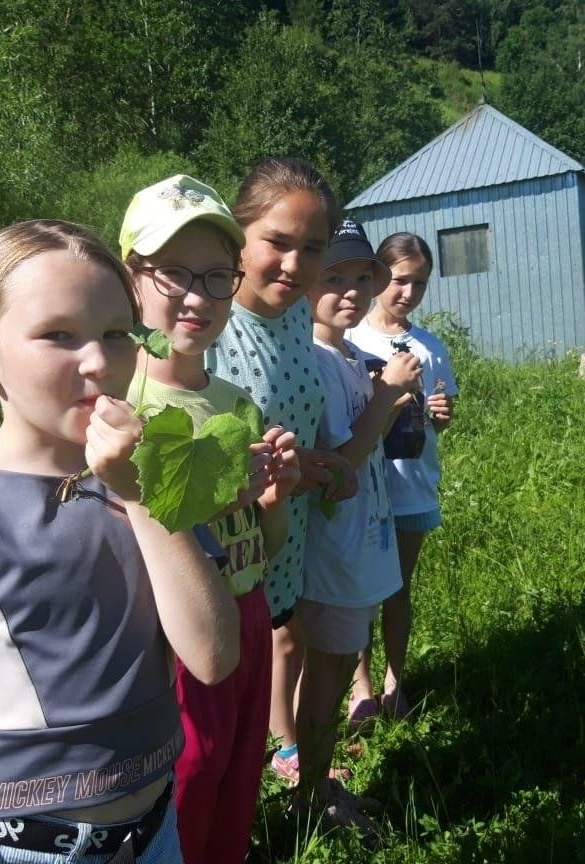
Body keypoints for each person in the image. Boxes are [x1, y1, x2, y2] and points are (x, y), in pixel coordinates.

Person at [0, 219, 241, 864]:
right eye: (58, 335)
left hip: (155, 831)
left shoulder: (153, 473)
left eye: (116, 333)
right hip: (23, 848)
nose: (97, 361)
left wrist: (139, 494)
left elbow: (213, 656)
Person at [118, 175, 301, 864]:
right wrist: (220, 495)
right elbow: (130, 532)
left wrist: (272, 499)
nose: (197, 297)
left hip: (248, 607)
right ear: (130, 278)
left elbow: (261, 543)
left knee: (238, 770)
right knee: (190, 773)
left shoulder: (234, 401)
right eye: (174, 274)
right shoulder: (119, 403)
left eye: (218, 276)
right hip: (179, 631)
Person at [203, 157, 357, 786]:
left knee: (250, 702)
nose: (294, 266)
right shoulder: (206, 326)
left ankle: (274, 789)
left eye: (312, 248)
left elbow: (289, 414)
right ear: (239, 234)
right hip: (220, 557)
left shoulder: (295, 314)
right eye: (277, 242)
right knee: (210, 727)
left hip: (280, 542)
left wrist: (312, 461)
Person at [294, 219, 421, 830]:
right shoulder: (311, 360)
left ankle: (318, 789)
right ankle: (310, 799)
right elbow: (341, 463)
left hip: (363, 539)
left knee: (340, 667)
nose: (350, 292)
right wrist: (386, 397)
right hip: (335, 550)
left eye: (360, 278)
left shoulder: (346, 355)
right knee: (328, 673)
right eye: (333, 279)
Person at [346, 231, 458, 725]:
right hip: (367, 485)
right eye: (398, 280)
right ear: (376, 277)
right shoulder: (352, 339)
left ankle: (395, 680)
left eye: (419, 283)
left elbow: (440, 413)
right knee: (360, 590)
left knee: (398, 588)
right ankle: (360, 684)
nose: (407, 293)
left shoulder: (429, 346)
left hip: (411, 482)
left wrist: (440, 411)